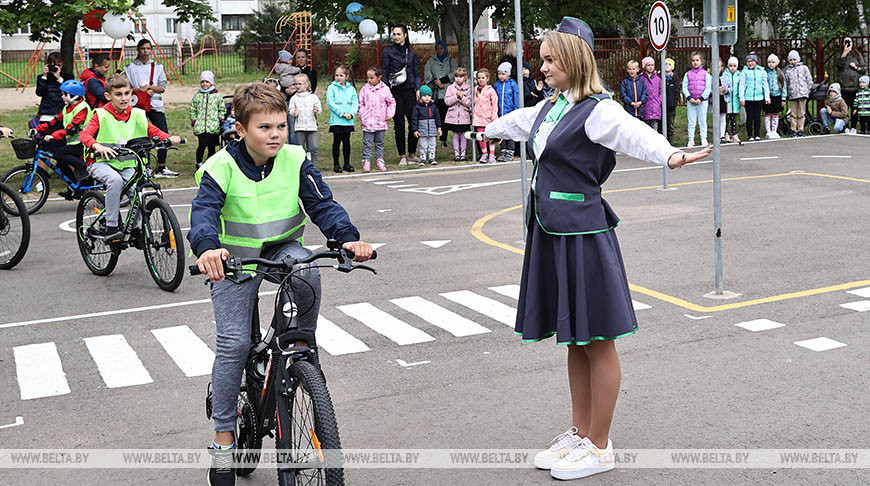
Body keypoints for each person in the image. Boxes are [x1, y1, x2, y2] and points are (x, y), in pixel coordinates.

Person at [484, 17, 710, 481]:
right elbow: (520, 123)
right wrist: (485, 128)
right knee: (574, 340)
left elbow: (634, 134)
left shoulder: (600, 110)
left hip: (584, 235)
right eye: (542, 59)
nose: (542, 66)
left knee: (597, 340)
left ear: (573, 59)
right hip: (552, 233)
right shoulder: (553, 107)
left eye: (550, 59)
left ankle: (600, 446)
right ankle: (581, 433)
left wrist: (670, 154)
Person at [187, 82, 373, 486]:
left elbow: (322, 204)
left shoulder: (295, 159)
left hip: (283, 248)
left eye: (280, 126)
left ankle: (300, 355)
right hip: (233, 260)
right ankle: (223, 439)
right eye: (264, 127)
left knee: (306, 271)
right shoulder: (220, 167)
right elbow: (202, 214)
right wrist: (207, 249)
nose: (275, 134)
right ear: (240, 130)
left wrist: (347, 237)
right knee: (234, 344)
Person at [80, 74, 182, 243]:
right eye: (118, 94)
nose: (124, 98)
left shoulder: (137, 114)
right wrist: (98, 146)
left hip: (126, 163)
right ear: (108, 96)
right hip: (100, 162)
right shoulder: (101, 114)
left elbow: (152, 131)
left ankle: (134, 228)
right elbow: (85, 135)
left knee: (138, 191)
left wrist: (168, 138)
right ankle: (112, 226)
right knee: (115, 181)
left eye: (127, 93)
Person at [124, 39, 178, 177]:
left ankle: (162, 166)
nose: (145, 51)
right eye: (143, 48)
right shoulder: (130, 68)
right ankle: (144, 166)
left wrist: (150, 88)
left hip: (155, 105)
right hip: (138, 105)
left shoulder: (158, 67)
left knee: (162, 132)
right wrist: (139, 91)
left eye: (148, 49)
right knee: (141, 135)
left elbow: (162, 87)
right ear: (138, 50)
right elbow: (126, 87)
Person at [31, 80, 92, 197]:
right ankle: (74, 187)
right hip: (74, 143)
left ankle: (84, 170)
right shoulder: (67, 108)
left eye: (64, 94)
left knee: (61, 154)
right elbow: (53, 122)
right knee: (61, 163)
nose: (62, 96)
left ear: (73, 95)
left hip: (84, 142)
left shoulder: (82, 108)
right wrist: (38, 129)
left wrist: (53, 136)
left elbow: (71, 128)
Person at [381, 25, 422, 165]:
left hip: (409, 90)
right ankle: (402, 156)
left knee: (413, 122)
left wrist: (418, 89)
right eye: (394, 34)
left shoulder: (411, 53)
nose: (396, 37)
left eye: (399, 34)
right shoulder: (388, 52)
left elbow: (417, 73)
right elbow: (384, 72)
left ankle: (412, 153)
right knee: (399, 124)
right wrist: (387, 92)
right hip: (395, 92)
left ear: (405, 35)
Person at [358, 67, 395, 172]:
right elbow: (361, 103)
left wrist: (389, 114)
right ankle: (366, 160)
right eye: (368, 78)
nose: (369, 80)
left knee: (379, 143)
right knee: (367, 143)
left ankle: (380, 159)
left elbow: (391, 102)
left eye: (372, 77)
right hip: (368, 122)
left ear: (379, 77)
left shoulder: (385, 89)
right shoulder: (365, 89)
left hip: (380, 121)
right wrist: (362, 114)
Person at [424, 40, 457, 147]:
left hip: (449, 92)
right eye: (437, 48)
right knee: (438, 116)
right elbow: (427, 73)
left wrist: (443, 80)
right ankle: (439, 137)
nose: (440, 50)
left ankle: (451, 138)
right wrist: (435, 81)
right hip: (437, 93)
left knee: (449, 116)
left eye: (442, 48)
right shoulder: (431, 61)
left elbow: (456, 72)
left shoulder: (451, 60)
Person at [189, 70, 224, 170]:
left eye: (207, 82)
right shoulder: (198, 96)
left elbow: (221, 108)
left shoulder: (217, 96)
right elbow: (192, 109)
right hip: (201, 126)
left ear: (211, 83)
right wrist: (194, 120)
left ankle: (210, 163)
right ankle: (199, 162)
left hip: (213, 126)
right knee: (201, 145)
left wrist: (220, 118)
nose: (205, 84)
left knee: (211, 147)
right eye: (203, 81)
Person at [326, 65, 358, 173]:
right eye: (336, 75)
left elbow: (355, 103)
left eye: (341, 75)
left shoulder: (351, 89)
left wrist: (351, 114)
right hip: (337, 120)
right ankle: (336, 164)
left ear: (346, 76)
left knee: (347, 142)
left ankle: (347, 163)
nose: (338, 77)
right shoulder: (332, 88)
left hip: (348, 121)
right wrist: (342, 113)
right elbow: (331, 103)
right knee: (336, 142)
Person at [288, 73, 323, 167]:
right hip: (299, 127)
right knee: (300, 148)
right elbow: (290, 110)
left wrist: (317, 110)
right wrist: (293, 112)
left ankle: (313, 165)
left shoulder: (313, 97)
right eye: (296, 84)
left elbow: (319, 108)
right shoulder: (294, 98)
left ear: (306, 84)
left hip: (312, 126)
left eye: (300, 84)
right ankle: (302, 166)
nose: (297, 86)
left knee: (314, 147)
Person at [836, 37, 867, 133]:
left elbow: (863, 69)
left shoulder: (857, 54)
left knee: (855, 108)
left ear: (853, 43)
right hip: (844, 86)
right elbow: (839, 65)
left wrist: (856, 67)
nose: (848, 43)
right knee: (844, 108)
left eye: (850, 41)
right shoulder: (840, 53)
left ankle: (853, 126)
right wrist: (844, 53)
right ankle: (845, 127)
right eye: (846, 41)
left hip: (855, 86)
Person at [682, 51, 711, 147]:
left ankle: (704, 139)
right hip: (691, 102)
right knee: (691, 121)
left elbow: (708, 88)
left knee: (702, 120)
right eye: (693, 60)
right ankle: (691, 139)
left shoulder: (706, 74)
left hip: (702, 102)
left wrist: (701, 98)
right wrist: (689, 98)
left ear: (701, 61)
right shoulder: (688, 74)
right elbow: (684, 87)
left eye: (697, 60)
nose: (695, 62)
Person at [739, 53, 770, 142]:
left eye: (752, 61)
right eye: (748, 61)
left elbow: (765, 84)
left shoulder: (761, 71)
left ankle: (757, 134)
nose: (750, 63)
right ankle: (750, 135)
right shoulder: (744, 72)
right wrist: (742, 98)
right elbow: (741, 85)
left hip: (759, 97)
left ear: (756, 62)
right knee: (750, 116)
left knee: (757, 116)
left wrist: (767, 97)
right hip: (748, 98)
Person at [444, 67, 472, 161]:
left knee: (464, 135)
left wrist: (462, 98)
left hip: (464, 116)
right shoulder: (450, 88)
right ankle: (456, 153)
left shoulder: (468, 88)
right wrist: (456, 97)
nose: (458, 79)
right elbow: (447, 101)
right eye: (456, 76)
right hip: (453, 117)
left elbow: (469, 103)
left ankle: (463, 153)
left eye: (461, 77)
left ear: (465, 77)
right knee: (455, 134)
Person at [36, 52, 74, 122]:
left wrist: (59, 78)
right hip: (47, 112)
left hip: (62, 111)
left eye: (58, 65)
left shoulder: (68, 77)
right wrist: (44, 77)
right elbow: (40, 93)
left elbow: (71, 92)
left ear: (62, 64)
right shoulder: (42, 78)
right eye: (53, 65)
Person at [493, 62, 520, 161]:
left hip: (510, 113)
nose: (500, 76)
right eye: (499, 74)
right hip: (501, 113)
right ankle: (503, 150)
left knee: (510, 132)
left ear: (508, 74)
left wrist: (516, 111)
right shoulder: (496, 85)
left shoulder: (513, 85)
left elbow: (516, 99)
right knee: (502, 132)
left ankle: (510, 151)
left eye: (502, 74)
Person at [471, 68, 499, 163]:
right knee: (481, 137)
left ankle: (492, 154)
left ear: (487, 78)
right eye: (479, 78)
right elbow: (474, 102)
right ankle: (484, 154)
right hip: (479, 117)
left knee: (490, 136)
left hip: (489, 117)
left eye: (483, 77)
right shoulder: (475, 89)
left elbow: (495, 104)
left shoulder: (491, 90)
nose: (480, 79)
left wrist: (494, 116)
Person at [783, 50, 813, 137]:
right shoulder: (788, 71)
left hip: (802, 94)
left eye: (794, 59)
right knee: (793, 113)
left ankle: (801, 129)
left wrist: (807, 90)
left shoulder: (804, 68)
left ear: (798, 59)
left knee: (801, 113)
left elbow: (809, 80)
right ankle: (793, 129)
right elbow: (787, 82)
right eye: (791, 60)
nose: (793, 61)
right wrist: (788, 92)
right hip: (792, 95)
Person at [274, 50, 301, 145]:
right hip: (289, 85)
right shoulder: (287, 67)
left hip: (283, 85)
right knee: (292, 127)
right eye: (290, 59)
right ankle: (293, 144)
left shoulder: (279, 67)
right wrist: (299, 69)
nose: (291, 61)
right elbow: (294, 70)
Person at [411, 85, 442, 165]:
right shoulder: (417, 107)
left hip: (432, 129)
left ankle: (432, 157)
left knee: (432, 144)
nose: (427, 97)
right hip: (422, 129)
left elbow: (437, 117)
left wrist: (439, 128)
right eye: (424, 96)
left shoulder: (434, 106)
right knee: (423, 145)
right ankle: (423, 158)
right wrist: (415, 130)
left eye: (429, 95)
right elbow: (414, 119)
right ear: (421, 97)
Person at [764, 54, 787, 139]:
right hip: (768, 97)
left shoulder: (780, 73)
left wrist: (783, 98)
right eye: (769, 62)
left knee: (775, 114)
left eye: (773, 62)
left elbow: (784, 86)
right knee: (767, 114)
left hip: (777, 96)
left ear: (776, 63)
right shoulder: (765, 72)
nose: (771, 64)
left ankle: (774, 130)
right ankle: (768, 131)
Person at [722, 57, 744, 144]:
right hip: (727, 100)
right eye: (730, 66)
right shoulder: (725, 74)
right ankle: (726, 133)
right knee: (726, 118)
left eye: (734, 66)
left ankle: (734, 134)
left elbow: (741, 87)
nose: (732, 68)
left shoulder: (739, 75)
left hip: (735, 100)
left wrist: (741, 97)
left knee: (734, 118)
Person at [640, 57, 662, 131]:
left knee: (654, 129)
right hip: (645, 107)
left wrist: (659, 100)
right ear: (644, 66)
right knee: (645, 129)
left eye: (652, 65)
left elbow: (661, 91)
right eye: (648, 65)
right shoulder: (641, 78)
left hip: (655, 107)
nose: (650, 67)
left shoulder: (658, 79)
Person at [663, 58, 678, 144]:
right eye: (665, 64)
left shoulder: (674, 77)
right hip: (662, 105)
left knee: (670, 124)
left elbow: (676, 90)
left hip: (671, 105)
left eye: (669, 64)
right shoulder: (661, 77)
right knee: (661, 124)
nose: (667, 66)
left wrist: (675, 102)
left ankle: (670, 141)